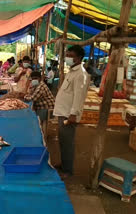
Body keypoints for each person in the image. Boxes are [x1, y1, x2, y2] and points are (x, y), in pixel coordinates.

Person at [53, 45, 90, 177]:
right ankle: (64, 164)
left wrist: (73, 114)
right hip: (63, 112)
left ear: (79, 58)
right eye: (67, 55)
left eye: (71, 56)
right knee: (63, 140)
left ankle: (68, 171)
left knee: (68, 142)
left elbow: (79, 97)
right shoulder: (72, 71)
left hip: (69, 115)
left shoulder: (81, 75)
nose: (67, 58)